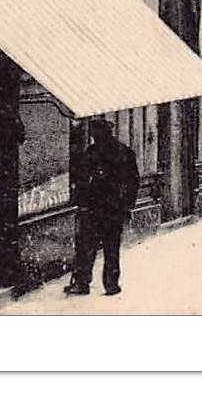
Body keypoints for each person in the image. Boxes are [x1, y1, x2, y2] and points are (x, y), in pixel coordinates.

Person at [66, 119, 138, 296]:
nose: (93, 136)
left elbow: (82, 181)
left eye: (94, 133)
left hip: (94, 209)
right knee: (111, 248)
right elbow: (134, 182)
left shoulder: (92, 153)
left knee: (86, 247)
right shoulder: (124, 152)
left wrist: (82, 202)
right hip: (113, 209)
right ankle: (111, 285)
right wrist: (127, 205)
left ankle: (82, 283)